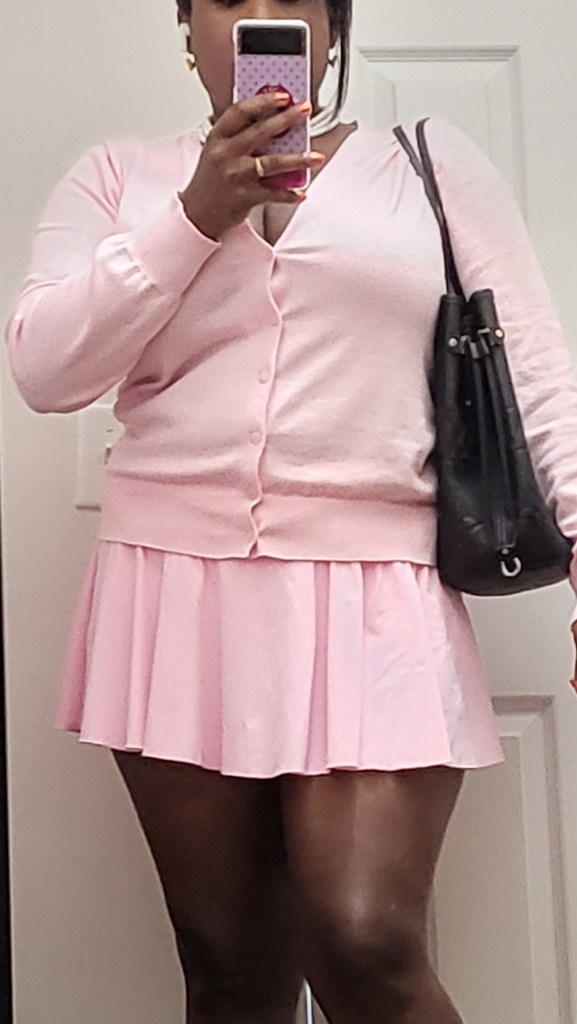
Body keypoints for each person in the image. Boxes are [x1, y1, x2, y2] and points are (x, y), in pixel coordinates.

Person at [5, 0, 577, 1022]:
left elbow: (536, 373)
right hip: (172, 589)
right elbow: (47, 369)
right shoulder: (119, 178)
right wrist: (193, 215)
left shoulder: (425, 165)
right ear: (187, 25)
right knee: (229, 969)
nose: (262, 19)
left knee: (366, 944)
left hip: (376, 594)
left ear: (334, 26)